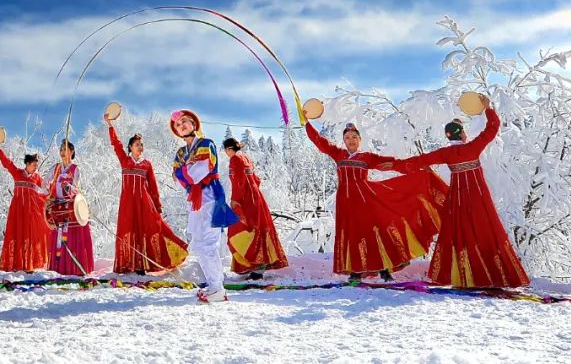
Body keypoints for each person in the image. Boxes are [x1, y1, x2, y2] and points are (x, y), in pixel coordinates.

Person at [389, 96, 530, 288]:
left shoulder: (445, 153)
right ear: (462, 134)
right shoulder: (473, 147)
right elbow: (493, 127)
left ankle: (460, 275)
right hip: (478, 197)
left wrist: (394, 165)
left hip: (457, 199)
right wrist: (487, 108)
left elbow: (417, 161)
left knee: (457, 233)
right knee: (486, 231)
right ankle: (493, 274)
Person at [304, 119, 447, 282]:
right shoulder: (338, 154)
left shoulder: (367, 157)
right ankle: (355, 272)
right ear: (344, 140)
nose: (351, 140)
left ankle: (385, 270)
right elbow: (320, 142)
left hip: (366, 200)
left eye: (354, 137)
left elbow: (393, 163)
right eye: (348, 137)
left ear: (360, 140)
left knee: (374, 233)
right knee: (351, 235)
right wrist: (306, 123)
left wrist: (416, 167)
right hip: (345, 202)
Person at [170, 109, 238, 304]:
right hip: (194, 199)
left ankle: (217, 287)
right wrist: (185, 170)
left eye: (184, 121)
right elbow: (177, 177)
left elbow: (197, 172)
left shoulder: (206, 144)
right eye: (177, 124)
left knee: (208, 242)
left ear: (194, 124)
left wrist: (184, 171)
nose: (181, 125)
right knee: (199, 244)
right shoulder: (182, 152)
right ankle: (213, 285)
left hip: (209, 195)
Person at [106, 115, 188, 274]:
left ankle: (144, 265)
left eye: (141, 145)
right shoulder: (125, 161)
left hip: (145, 203)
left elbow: (153, 187)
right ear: (130, 147)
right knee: (128, 229)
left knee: (151, 229)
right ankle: (128, 264)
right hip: (128, 204)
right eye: (137, 144)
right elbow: (116, 144)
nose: (140, 147)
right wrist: (110, 125)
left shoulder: (146, 164)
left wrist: (157, 206)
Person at [223, 138, 288, 278]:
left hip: (245, 200)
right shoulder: (246, 157)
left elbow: (238, 182)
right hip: (256, 198)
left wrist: (235, 200)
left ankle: (252, 264)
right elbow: (256, 179)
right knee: (257, 228)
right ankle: (261, 263)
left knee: (239, 228)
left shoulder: (234, 159)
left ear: (228, 149)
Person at [0, 139, 50, 273]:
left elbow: (47, 189)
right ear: (27, 164)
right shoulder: (18, 173)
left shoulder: (37, 178)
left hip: (31, 212)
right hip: (18, 210)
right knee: (17, 233)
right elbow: (7, 163)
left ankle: (29, 262)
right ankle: (16, 263)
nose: (36, 167)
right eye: (34, 165)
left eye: (37, 165)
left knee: (30, 235)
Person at [46, 140, 94, 276]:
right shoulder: (55, 168)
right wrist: (49, 189)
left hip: (71, 208)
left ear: (72, 152)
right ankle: (59, 268)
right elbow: (45, 183)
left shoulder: (75, 169)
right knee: (58, 238)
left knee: (72, 238)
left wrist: (68, 187)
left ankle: (74, 268)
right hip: (58, 207)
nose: (62, 152)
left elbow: (77, 189)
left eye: (65, 149)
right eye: (61, 149)